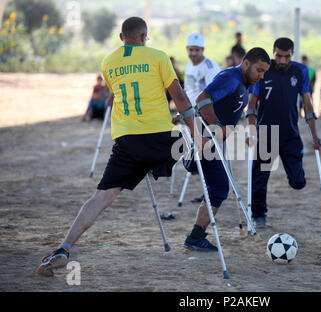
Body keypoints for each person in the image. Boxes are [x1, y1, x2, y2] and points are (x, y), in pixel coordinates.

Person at [37, 16, 205, 276]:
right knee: (196, 149)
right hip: (161, 138)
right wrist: (197, 136)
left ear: (121, 38)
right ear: (144, 37)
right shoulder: (159, 57)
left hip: (126, 141)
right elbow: (180, 97)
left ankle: (65, 246)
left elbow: (115, 95)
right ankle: (179, 183)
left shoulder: (108, 62)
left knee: (102, 196)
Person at [183, 48, 270, 251]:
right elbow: (202, 100)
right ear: (246, 63)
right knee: (220, 188)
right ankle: (195, 238)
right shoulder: (231, 77)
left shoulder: (245, 83)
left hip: (215, 141)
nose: (261, 76)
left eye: (265, 72)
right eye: (259, 70)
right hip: (205, 138)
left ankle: (196, 236)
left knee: (218, 187)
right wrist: (217, 126)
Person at [246, 38, 321, 228]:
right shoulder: (263, 70)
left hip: (290, 133)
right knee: (260, 178)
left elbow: (307, 103)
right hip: (267, 133)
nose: (282, 60)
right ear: (273, 52)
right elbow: (252, 102)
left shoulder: (300, 71)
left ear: (292, 54)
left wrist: (315, 135)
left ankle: (297, 177)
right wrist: (251, 129)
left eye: (286, 56)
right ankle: (259, 214)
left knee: (298, 183)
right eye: (278, 56)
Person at [184, 32, 221, 203]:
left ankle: (213, 191)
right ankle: (207, 191)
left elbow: (212, 95)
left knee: (210, 154)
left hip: (207, 114)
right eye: (191, 49)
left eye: (197, 50)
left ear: (202, 50)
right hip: (193, 114)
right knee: (200, 154)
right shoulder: (188, 66)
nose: (193, 53)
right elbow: (187, 92)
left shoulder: (210, 66)